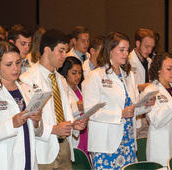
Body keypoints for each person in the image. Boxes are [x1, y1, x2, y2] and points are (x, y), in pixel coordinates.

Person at [82, 32, 154, 169]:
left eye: (127, 50)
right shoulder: (95, 76)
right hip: (106, 143)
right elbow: (91, 111)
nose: (126, 53)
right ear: (109, 50)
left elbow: (132, 107)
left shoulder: (128, 75)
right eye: (121, 50)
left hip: (128, 140)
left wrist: (146, 105)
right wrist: (120, 114)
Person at [20, 29, 87, 170]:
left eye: (66, 51)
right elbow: (28, 121)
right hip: (43, 148)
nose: (64, 56)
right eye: (61, 51)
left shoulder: (61, 79)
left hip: (64, 147)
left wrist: (74, 124)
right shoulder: (28, 79)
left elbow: (64, 112)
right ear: (47, 50)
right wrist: (54, 129)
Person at [0, 41, 42, 170]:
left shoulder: (27, 89)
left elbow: (36, 132)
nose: (16, 68)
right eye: (9, 64)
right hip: (3, 163)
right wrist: (11, 123)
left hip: (28, 162)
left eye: (18, 63)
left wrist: (36, 122)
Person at [128, 28, 156, 139]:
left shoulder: (150, 62)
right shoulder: (128, 61)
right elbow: (123, 87)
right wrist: (140, 87)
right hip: (135, 111)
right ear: (138, 43)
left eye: (152, 47)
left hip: (148, 111)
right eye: (146, 46)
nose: (149, 50)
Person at [58, 56, 88, 158]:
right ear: (65, 73)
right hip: (75, 131)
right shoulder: (62, 89)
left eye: (80, 73)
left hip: (84, 130)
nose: (78, 76)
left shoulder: (80, 88)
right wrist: (77, 106)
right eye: (74, 73)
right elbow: (62, 111)